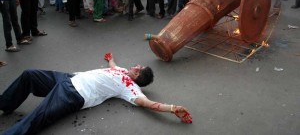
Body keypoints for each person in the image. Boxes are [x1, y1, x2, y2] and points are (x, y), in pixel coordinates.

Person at [0, 53, 192, 135]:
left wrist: (173, 108)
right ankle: (5, 103)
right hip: (68, 78)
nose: (135, 66)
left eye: (138, 69)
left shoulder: (131, 88)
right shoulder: (123, 71)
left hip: (73, 93)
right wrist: (110, 59)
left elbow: (148, 103)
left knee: (36, 118)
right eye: (138, 66)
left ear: (138, 77)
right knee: (30, 75)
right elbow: (114, 66)